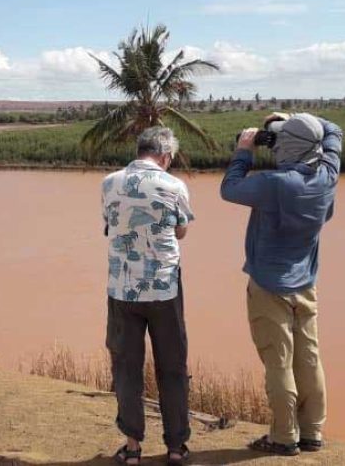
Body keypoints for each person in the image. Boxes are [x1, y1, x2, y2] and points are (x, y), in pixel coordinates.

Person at [220, 111, 343, 456]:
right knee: (310, 358)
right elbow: (334, 130)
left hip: (269, 286)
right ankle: (312, 431)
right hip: (306, 283)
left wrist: (245, 149)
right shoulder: (327, 175)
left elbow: (229, 189)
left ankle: (284, 436)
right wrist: (292, 120)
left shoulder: (276, 184)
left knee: (279, 362)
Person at [102, 126, 194, 466]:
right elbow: (181, 230)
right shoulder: (174, 185)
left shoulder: (109, 183)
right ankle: (176, 447)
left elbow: (110, 226)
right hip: (164, 289)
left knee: (126, 368)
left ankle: (133, 447)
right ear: (166, 156)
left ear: (140, 150)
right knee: (172, 366)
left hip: (122, 289)